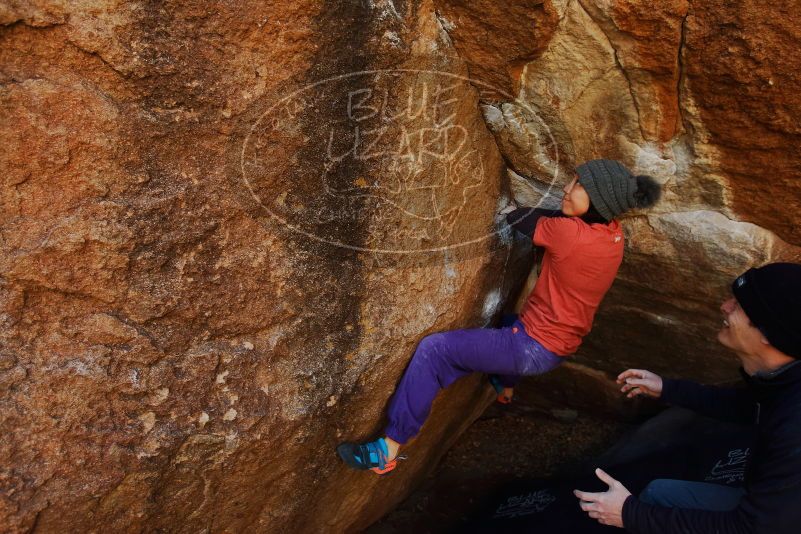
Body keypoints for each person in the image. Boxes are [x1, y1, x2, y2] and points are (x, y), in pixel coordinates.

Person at [337, 160, 661, 474]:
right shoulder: (612, 236)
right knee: (506, 321)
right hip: (557, 348)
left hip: (530, 348)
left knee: (435, 351)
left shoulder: (568, 234)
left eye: (576, 184)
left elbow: (520, 220)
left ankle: (387, 449)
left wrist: (510, 210)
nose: (566, 187)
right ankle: (505, 387)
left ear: (597, 201)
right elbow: (561, 220)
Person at [574, 262, 801, 533]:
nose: (725, 306)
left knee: (650, 507)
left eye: (738, 305)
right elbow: (752, 406)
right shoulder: (786, 381)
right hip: (773, 508)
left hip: (767, 523)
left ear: (767, 334)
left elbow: (754, 528)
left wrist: (629, 514)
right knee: (660, 495)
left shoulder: (795, 429)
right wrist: (668, 389)